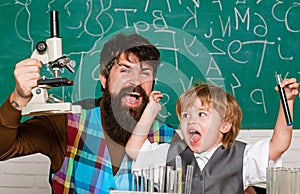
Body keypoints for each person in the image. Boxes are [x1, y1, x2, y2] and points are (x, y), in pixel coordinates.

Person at [0, 33, 178, 193]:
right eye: (125, 71)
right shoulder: (67, 125)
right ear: (104, 78)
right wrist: (18, 98)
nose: (135, 82)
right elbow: (3, 150)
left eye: (145, 73)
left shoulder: (169, 139)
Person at [126, 79, 299, 194]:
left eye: (201, 114)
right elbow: (134, 150)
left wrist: (287, 101)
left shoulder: (243, 156)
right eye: (186, 115)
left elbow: (279, 144)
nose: (192, 121)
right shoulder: (171, 154)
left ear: (224, 125)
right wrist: (150, 111)